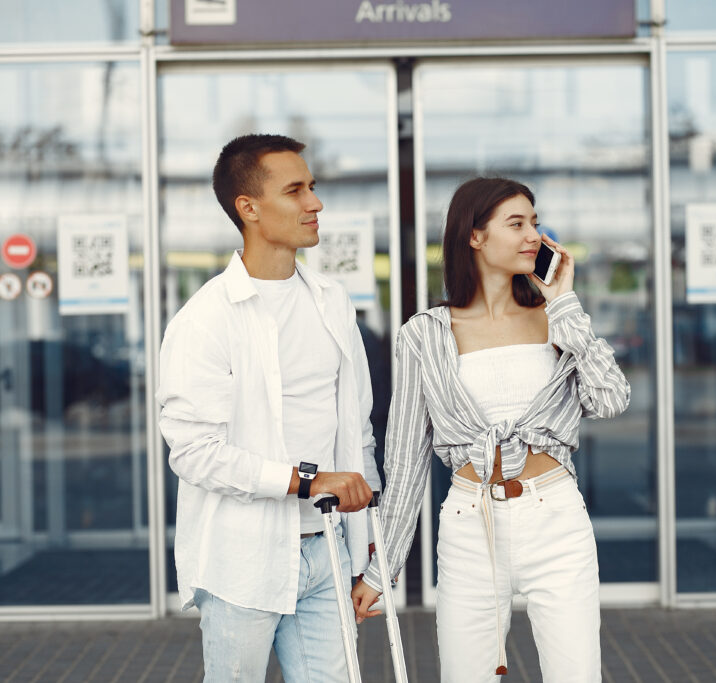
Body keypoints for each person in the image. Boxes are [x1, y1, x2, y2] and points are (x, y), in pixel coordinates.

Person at [351, 177, 631, 682]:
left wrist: (565, 303)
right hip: (467, 524)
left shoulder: (556, 319)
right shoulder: (425, 335)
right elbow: (406, 461)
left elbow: (611, 399)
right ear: (475, 237)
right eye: (517, 223)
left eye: (535, 223)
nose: (534, 236)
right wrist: (383, 567)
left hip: (556, 519)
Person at [156, 133, 381, 682]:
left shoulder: (332, 301)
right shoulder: (205, 318)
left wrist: (371, 545)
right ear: (249, 208)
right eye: (296, 190)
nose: (315, 203)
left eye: (313, 187)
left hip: (328, 549)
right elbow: (194, 452)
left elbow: (358, 432)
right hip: (243, 558)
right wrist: (307, 481)